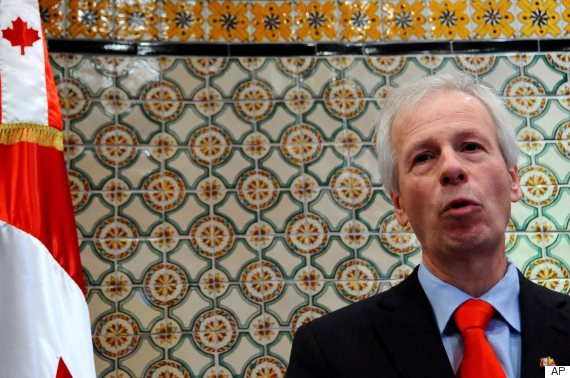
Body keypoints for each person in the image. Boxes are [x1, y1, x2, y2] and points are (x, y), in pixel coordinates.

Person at [286, 73, 570, 378]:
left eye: (471, 147)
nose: (451, 168)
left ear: (513, 179)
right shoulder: (330, 351)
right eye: (423, 157)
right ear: (399, 204)